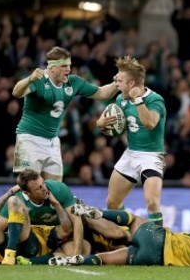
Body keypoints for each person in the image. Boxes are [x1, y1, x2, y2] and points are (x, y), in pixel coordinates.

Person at [12, 46, 118, 181]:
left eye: (69, 65)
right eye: (63, 66)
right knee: (30, 188)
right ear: (52, 68)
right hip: (30, 139)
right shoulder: (39, 80)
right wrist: (29, 79)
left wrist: (118, 83)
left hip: (52, 141)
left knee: (55, 189)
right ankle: (9, 202)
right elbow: (16, 92)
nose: (68, 69)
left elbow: (102, 93)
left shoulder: (73, 82)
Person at [49, 205, 190, 267]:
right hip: (155, 260)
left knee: (133, 220)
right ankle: (74, 260)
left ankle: (99, 213)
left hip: (159, 240)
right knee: (106, 259)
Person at [96, 55, 167, 226]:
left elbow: (150, 123)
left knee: (152, 203)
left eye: (119, 81)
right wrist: (101, 123)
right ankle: (128, 231)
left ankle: (157, 242)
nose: (116, 84)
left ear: (132, 84)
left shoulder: (155, 100)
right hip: (131, 154)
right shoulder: (121, 99)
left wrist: (138, 100)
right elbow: (109, 123)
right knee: (112, 203)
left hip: (151, 156)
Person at [0, 168, 81, 265]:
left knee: (14, 201)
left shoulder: (56, 190)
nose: (44, 189)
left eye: (43, 183)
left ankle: (8, 253)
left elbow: (68, 229)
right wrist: (9, 193)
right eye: (38, 188)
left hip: (29, 244)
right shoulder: (18, 197)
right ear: (27, 193)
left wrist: (55, 203)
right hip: (10, 241)